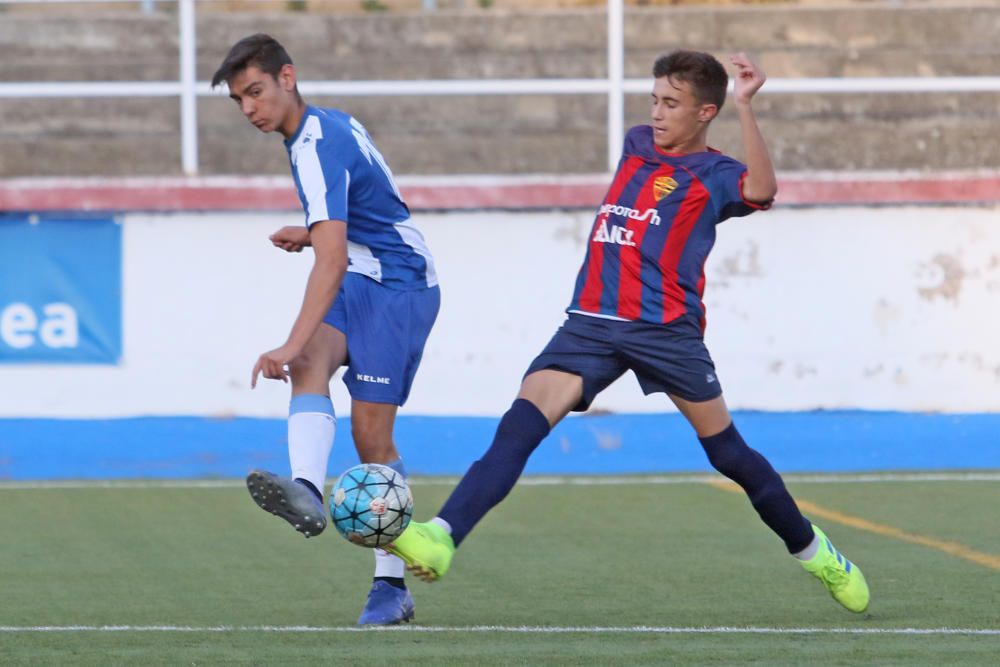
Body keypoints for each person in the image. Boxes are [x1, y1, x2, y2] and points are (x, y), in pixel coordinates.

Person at [387, 50, 870, 614]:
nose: (658, 113)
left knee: (729, 455)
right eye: (655, 100)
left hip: (665, 330)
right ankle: (443, 535)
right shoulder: (637, 143)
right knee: (518, 427)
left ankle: (816, 553)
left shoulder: (715, 176)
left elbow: (762, 190)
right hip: (590, 322)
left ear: (705, 112)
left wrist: (746, 106)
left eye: (672, 104)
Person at [211, 34, 440, 626]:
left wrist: (285, 339)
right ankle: (307, 492)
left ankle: (391, 588)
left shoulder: (316, 143)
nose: (249, 109)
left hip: (398, 285)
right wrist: (314, 230)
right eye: (239, 100)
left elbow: (334, 260)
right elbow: (371, 205)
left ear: (288, 77)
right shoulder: (326, 126)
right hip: (367, 270)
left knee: (371, 440)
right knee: (312, 362)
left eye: (255, 92)